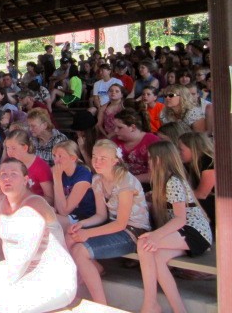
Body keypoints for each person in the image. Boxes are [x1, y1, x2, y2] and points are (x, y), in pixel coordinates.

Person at [0, 158, 77, 313]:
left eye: (13, 174)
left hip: (53, 276)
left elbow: (24, 256)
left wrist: (2, 289)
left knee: (4, 304)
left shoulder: (35, 205)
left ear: (25, 180)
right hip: (18, 268)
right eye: (3, 174)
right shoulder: (0, 203)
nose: (7, 178)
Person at [67, 139, 150, 305]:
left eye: (103, 158)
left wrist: (88, 233)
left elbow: (121, 223)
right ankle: (94, 270)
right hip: (114, 227)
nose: (97, 161)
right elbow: (100, 215)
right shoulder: (97, 180)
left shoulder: (125, 181)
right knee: (69, 237)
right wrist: (82, 225)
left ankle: (100, 304)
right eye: (94, 157)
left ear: (115, 160)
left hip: (133, 231)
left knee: (80, 251)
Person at [138, 141, 212, 313]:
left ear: (161, 160)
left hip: (194, 233)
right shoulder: (165, 182)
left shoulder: (173, 182)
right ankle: (178, 309)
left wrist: (155, 236)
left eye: (151, 158)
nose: (148, 162)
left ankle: (150, 304)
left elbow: (180, 219)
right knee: (156, 256)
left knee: (144, 244)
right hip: (185, 234)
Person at [51, 141, 95, 230]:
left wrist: (57, 180)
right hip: (69, 215)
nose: (56, 161)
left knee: (47, 221)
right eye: (55, 156)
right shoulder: (61, 174)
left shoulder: (83, 175)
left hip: (84, 218)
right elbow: (58, 207)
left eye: (60, 156)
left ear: (73, 158)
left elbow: (64, 211)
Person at [1, 129, 53, 204]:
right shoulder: (9, 163)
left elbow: (50, 199)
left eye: (13, 148)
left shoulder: (40, 167)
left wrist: (27, 199)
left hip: (35, 207)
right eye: (8, 148)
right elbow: (0, 193)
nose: (9, 152)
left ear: (25, 148)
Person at [112, 108, 159, 186]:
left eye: (119, 127)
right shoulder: (114, 142)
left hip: (149, 186)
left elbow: (158, 173)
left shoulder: (153, 142)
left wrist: (130, 180)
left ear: (133, 127)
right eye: (115, 127)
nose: (115, 131)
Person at [178, 132, 216, 227]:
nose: (178, 152)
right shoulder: (190, 164)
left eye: (181, 149)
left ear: (193, 148)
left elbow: (202, 194)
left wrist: (175, 195)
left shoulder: (208, 162)